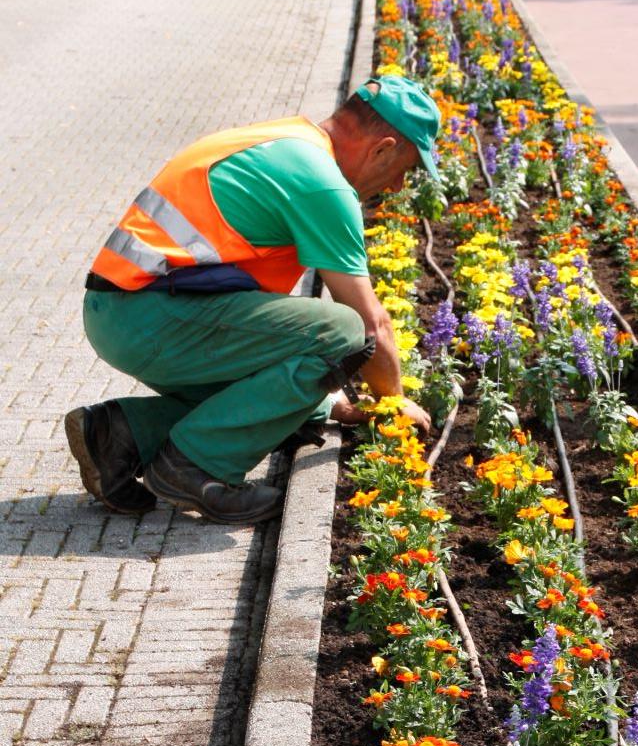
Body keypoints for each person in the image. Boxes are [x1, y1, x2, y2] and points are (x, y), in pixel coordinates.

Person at [67, 76, 439, 526]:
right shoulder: (322, 184)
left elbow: (264, 329)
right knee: (343, 331)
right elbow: (369, 322)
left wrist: (327, 404)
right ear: (381, 149)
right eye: (406, 167)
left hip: (123, 313)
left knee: (290, 399)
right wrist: (393, 402)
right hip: (150, 318)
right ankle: (195, 467)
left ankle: (120, 433)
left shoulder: (286, 141)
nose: (399, 185)